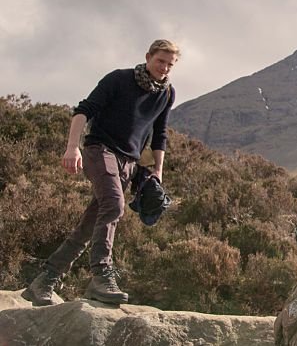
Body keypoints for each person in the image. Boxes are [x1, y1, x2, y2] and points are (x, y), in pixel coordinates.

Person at [22, 39, 180, 306]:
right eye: (160, 61)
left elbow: (160, 134)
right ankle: (101, 276)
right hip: (100, 150)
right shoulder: (119, 79)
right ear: (148, 57)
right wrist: (72, 148)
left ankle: (44, 281)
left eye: (169, 64)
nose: (164, 68)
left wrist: (158, 172)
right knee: (114, 205)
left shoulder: (166, 93)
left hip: (128, 163)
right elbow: (83, 111)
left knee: (89, 225)